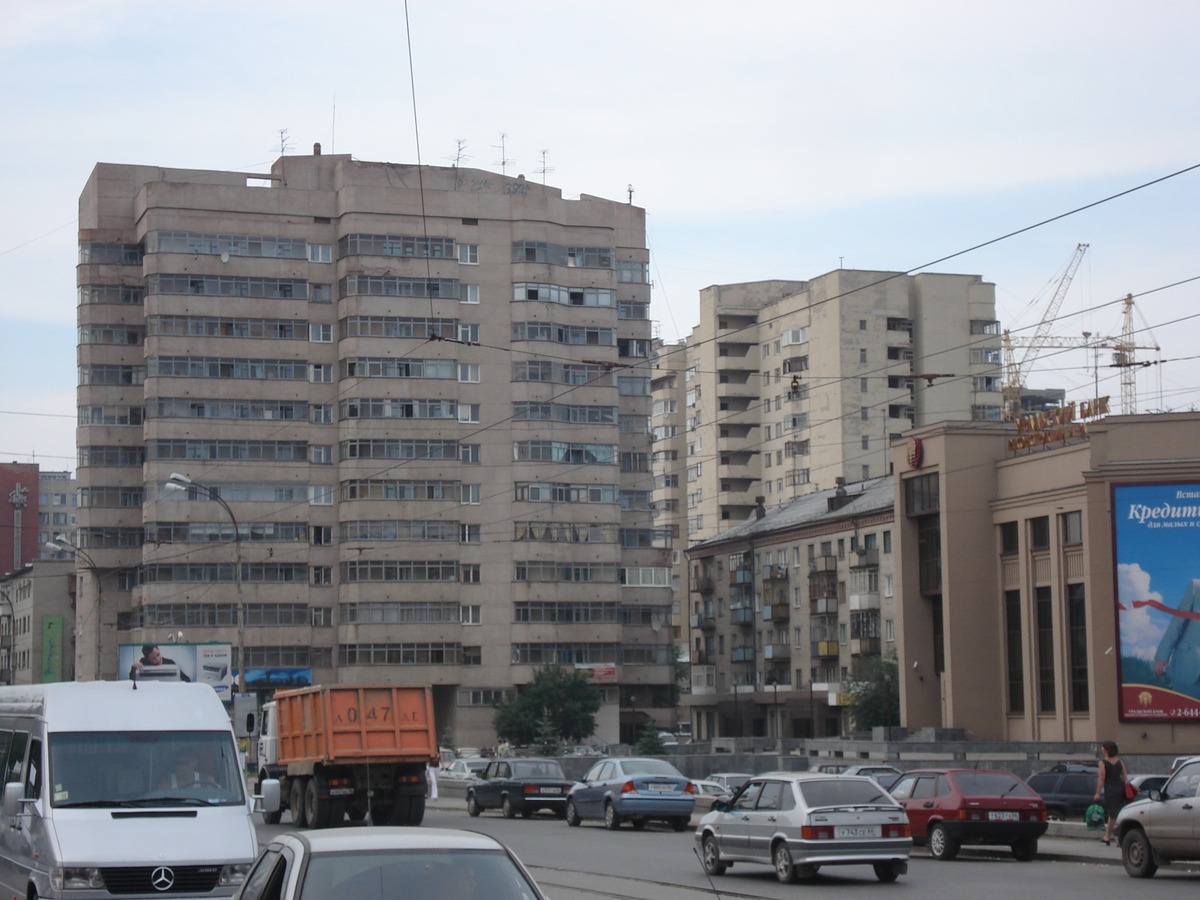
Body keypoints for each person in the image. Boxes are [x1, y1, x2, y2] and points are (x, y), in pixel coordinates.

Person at [1153, 580, 1200, 691]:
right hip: (1189, 667)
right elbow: (1176, 624)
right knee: (1182, 707)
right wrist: (1162, 656)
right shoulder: (1196, 587)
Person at [1093, 740, 1129, 845]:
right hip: (1120, 788)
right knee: (1116, 812)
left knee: (1113, 814)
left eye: (1103, 747)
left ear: (1106, 749)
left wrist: (1098, 793)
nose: (1101, 748)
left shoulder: (1103, 763)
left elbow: (1102, 778)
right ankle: (1108, 836)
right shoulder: (1119, 761)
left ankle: (1115, 837)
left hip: (1110, 790)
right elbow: (1125, 776)